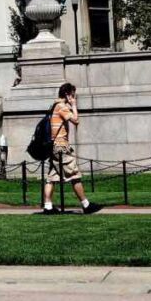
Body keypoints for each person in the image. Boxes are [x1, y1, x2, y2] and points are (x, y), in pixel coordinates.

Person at [41, 83, 101, 215]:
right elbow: (75, 120)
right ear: (68, 94)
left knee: (52, 177)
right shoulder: (61, 107)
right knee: (74, 175)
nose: (74, 97)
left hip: (54, 147)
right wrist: (73, 105)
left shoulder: (54, 106)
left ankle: (48, 206)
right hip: (61, 146)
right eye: (73, 94)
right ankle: (86, 205)